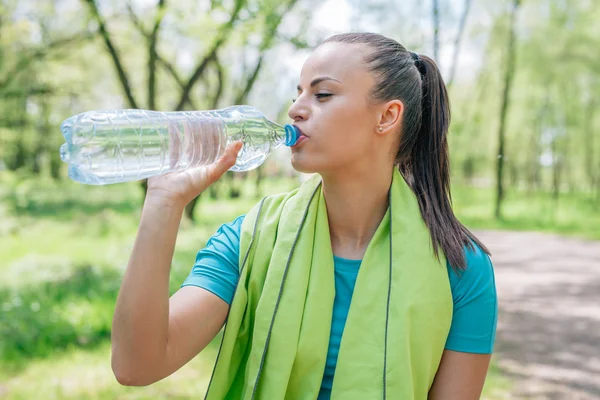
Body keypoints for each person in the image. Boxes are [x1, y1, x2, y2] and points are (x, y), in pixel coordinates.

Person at [110, 32, 498, 400]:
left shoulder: (460, 268)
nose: (295, 109)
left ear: (387, 116)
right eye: (298, 93)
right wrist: (164, 201)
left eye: (323, 94)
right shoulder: (249, 241)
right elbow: (137, 365)